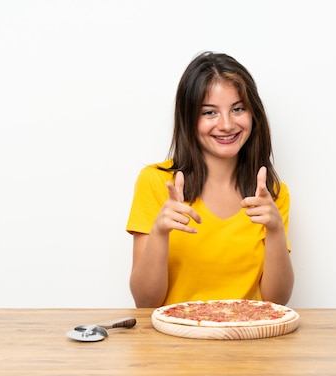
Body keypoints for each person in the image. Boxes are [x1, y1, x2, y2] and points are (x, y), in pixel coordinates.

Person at [126, 51, 294, 308]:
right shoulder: (156, 182)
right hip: (175, 342)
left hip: (246, 340)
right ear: (189, 119)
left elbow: (277, 302)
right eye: (209, 112)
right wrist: (160, 231)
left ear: (253, 114)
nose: (226, 124)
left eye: (238, 109)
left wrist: (275, 230)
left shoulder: (271, 194)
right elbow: (145, 302)